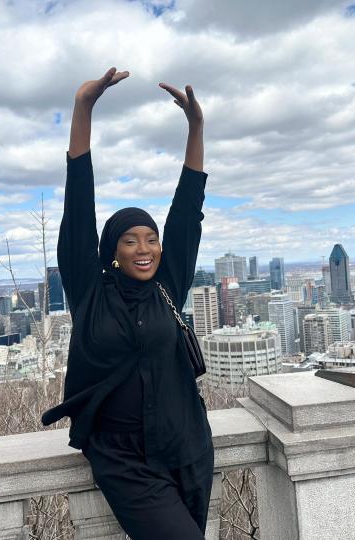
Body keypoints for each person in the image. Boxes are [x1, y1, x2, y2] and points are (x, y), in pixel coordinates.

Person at [41, 67, 213, 539]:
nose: (144, 248)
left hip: (186, 448)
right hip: (122, 459)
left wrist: (196, 129)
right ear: (112, 251)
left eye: (151, 240)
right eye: (131, 240)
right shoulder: (90, 293)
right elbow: (78, 209)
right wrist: (83, 109)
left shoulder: (168, 286)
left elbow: (187, 211)